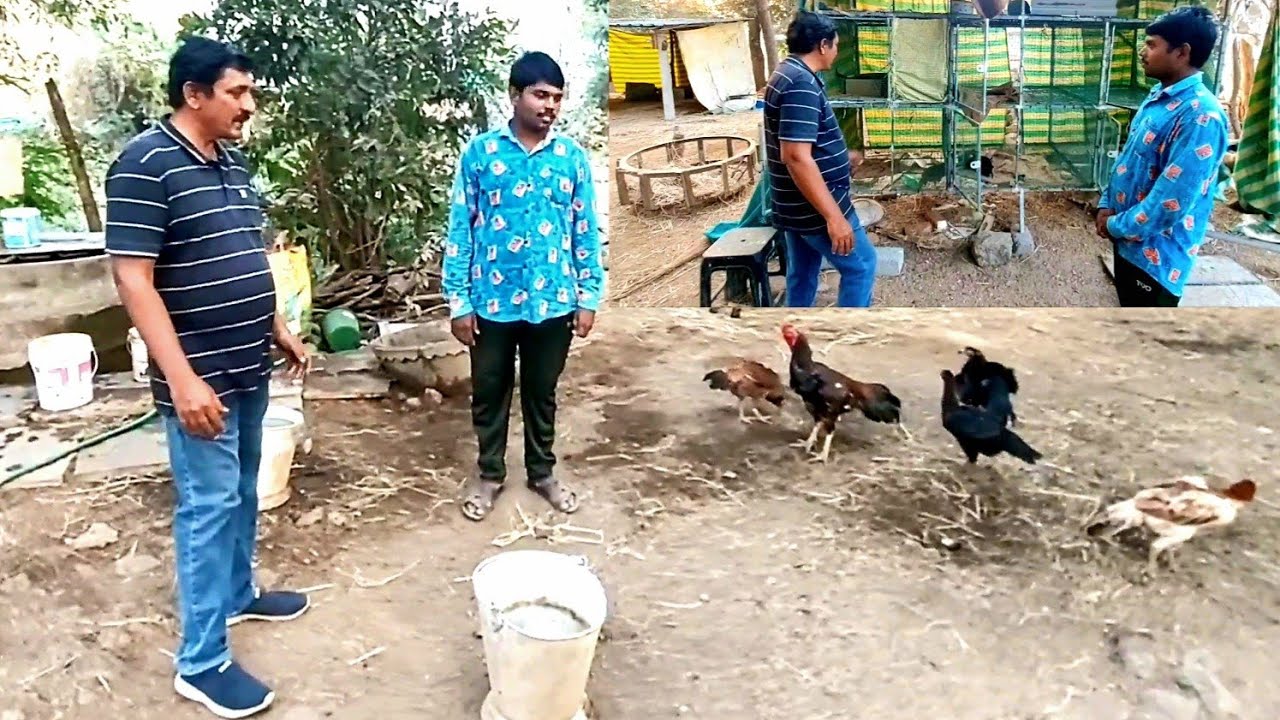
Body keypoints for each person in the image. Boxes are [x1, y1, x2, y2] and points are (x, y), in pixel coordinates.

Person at [104, 36, 311, 719]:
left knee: (243, 490)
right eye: (237, 93)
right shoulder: (144, 164)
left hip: (248, 357)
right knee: (208, 507)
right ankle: (201, 663)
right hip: (199, 375)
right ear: (194, 94)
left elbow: (248, 251)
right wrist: (183, 380)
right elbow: (134, 278)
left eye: (249, 93)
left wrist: (276, 324)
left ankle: (238, 592)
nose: (248, 106)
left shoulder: (231, 162)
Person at [443, 51, 604, 522]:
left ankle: (542, 472)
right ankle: (490, 474)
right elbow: (461, 229)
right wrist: (459, 301)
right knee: (489, 389)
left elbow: (584, 231)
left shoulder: (571, 159)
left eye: (556, 97)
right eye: (539, 94)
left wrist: (588, 295)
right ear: (514, 96)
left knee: (541, 391)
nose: (549, 105)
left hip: (553, 300)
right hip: (491, 301)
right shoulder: (481, 154)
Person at [1096, 7, 1228, 307]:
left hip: (1156, 260)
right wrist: (1105, 205)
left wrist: (1114, 225)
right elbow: (1128, 160)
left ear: (1182, 52)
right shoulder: (1158, 96)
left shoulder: (1201, 117)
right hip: (1127, 241)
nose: (1143, 52)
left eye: (1152, 44)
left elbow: (1170, 203)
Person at [763, 11, 877, 308]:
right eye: (836, 45)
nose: (837, 53)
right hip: (814, 206)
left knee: (802, 275)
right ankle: (846, 341)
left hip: (794, 203)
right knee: (861, 266)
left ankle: (794, 339)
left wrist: (840, 155)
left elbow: (796, 144)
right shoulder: (801, 83)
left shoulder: (788, 72)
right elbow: (796, 156)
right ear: (823, 45)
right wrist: (834, 217)